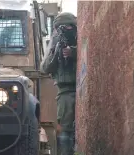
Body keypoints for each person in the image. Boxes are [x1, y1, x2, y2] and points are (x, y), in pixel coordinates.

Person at [40, 12, 77, 155]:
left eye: (68, 26)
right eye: (61, 27)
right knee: (66, 131)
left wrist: (72, 52)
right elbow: (45, 68)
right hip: (65, 91)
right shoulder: (55, 42)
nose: (65, 29)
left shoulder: (79, 39)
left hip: (80, 89)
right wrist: (56, 53)